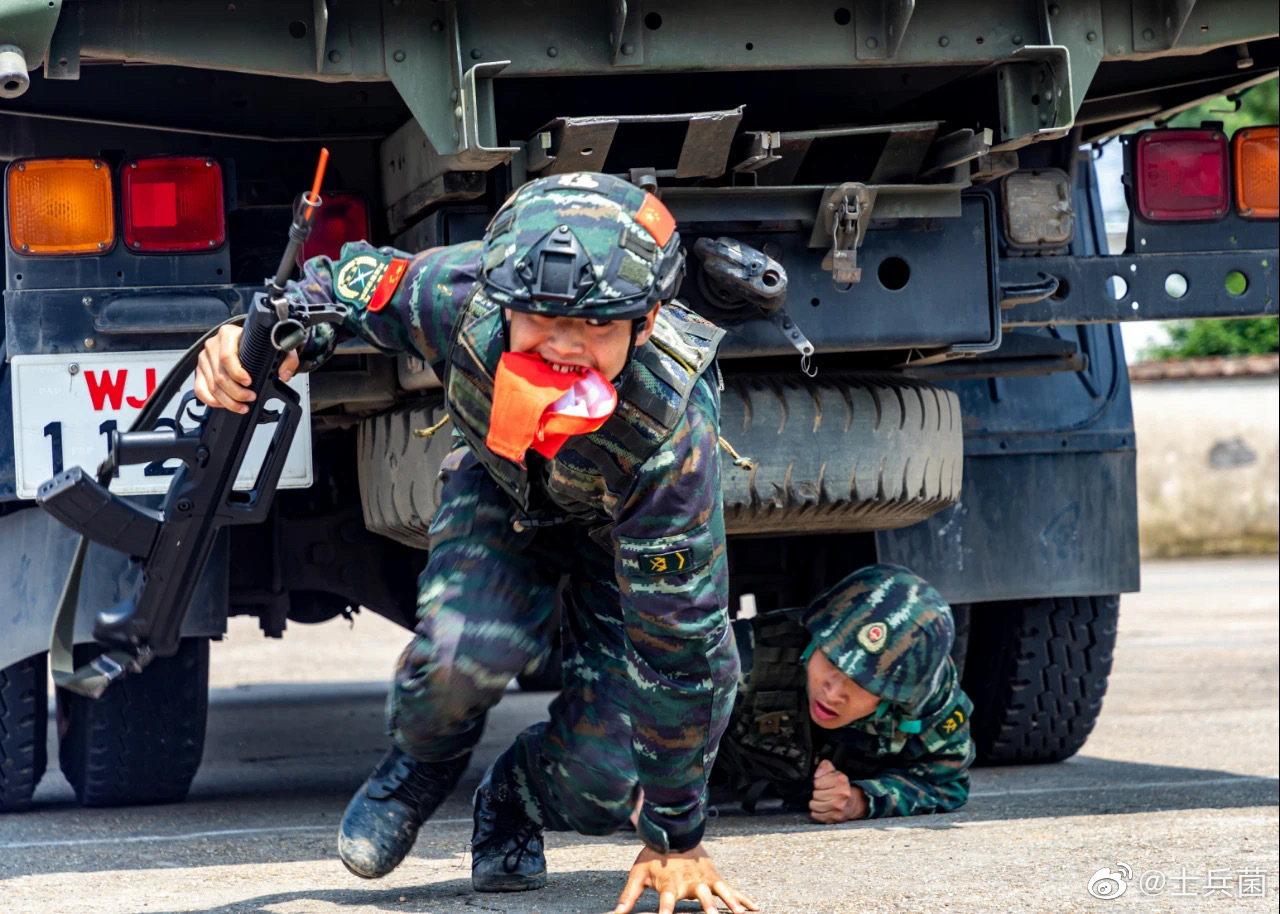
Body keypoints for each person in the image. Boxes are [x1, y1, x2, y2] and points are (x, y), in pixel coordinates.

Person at [194, 172, 757, 914]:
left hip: (615, 540)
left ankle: (513, 795)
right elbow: (344, 285)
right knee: (459, 662)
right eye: (543, 320)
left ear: (646, 322)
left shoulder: (668, 434)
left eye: (596, 327)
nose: (564, 349)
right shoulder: (461, 298)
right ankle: (422, 764)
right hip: (504, 494)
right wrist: (260, 336)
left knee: (604, 785)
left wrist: (674, 835)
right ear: (504, 302)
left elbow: (678, 651)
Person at [712, 563, 973, 823]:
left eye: (862, 683)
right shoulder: (739, 660)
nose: (834, 693)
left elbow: (945, 782)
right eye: (830, 661)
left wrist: (861, 800)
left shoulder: (923, 693)